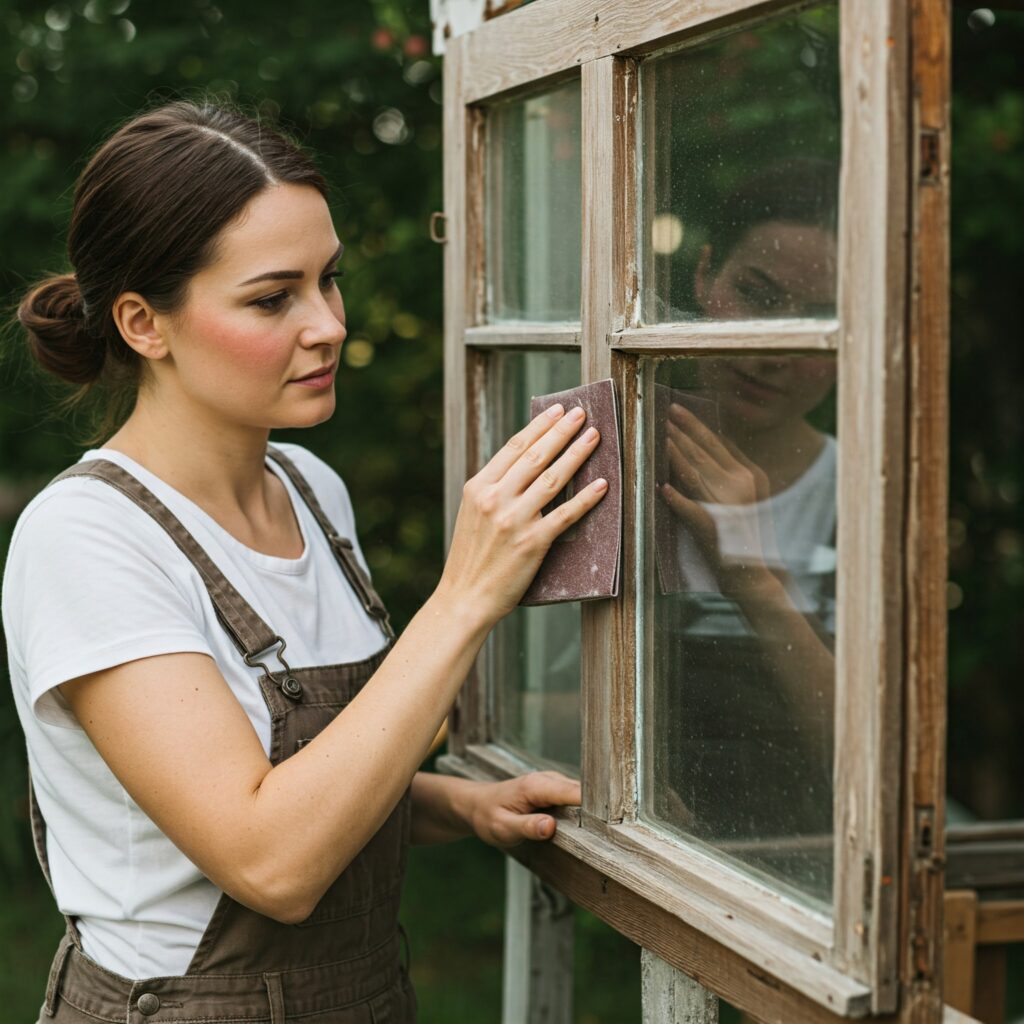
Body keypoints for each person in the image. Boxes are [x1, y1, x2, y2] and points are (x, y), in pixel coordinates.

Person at [3, 101, 607, 1023]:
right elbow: (269, 860)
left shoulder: (311, 488)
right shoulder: (85, 539)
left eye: (330, 281)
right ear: (143, 323)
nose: (327, 324)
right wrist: (465, 595)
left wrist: (457, 806)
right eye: (272, 297)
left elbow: (321, 776)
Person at [649, 160, 838, 901]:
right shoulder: (612, 448)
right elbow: (526, 698)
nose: (769, 352)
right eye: (757, 297)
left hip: (808, 880)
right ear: (703, 276)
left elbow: (874, 761)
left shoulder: (863, 493)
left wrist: (752, 576)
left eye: (814, 320)